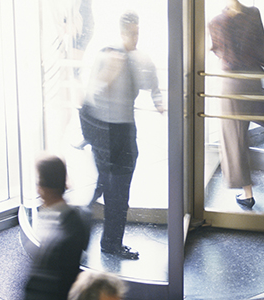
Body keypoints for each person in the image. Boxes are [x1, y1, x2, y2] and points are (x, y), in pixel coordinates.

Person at [79, 10, 165, 260]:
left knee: (109, 187)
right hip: (107, 132)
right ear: (121, 31)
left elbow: (154, 85)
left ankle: (100, 238)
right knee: (115, 193)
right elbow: (93, 92)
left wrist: (159, 103)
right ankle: (110, 244)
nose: (134, 38)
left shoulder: (140, 59)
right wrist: (110, 75)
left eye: (136, 32)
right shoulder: (108, 55)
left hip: (122, 131)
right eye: (130, 33)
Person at [208, 0, 264, 209]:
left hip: (232, 85)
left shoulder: (217, 22)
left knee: (232, 139)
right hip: (253, 80)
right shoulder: (253, 13)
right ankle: (253, 172)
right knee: (242, 133)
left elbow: (219, 52)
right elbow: (263, 47)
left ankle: (247, 192)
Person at [24, 154, 91, 300]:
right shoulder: (77, 217)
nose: (37, 189)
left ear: (43, 188)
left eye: (38, 183)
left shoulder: (62, 231)